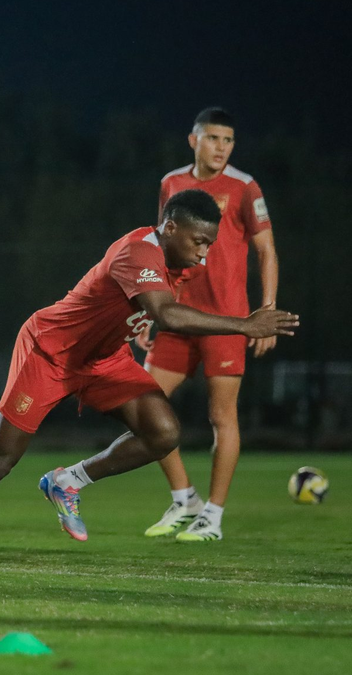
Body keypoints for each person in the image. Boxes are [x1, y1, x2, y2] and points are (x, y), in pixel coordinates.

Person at [0, 190, 297, 567]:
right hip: (49, 353)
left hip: (104, 359)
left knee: (163, 431)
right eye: (199, 242)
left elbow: (154, 307)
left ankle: (68, 481)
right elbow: (167, 313)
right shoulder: (138, 251)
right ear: (170, 227)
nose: (204, 254)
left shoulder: (178, 261)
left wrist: (136, 322)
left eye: (210, 244)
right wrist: (244, 325)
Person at [140, 108, 279, 542]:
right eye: (214, 138)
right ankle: (185, 499)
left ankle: (213, 517)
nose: (222, 147)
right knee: (142, 404)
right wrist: (150, 310)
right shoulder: (171, 183)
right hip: (177, 316)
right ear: (193, 141)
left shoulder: (243, 186)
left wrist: (267, 312)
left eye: (229, 140)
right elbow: (162, 247)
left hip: (224, 321)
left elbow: (266, 252)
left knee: (221, 416)